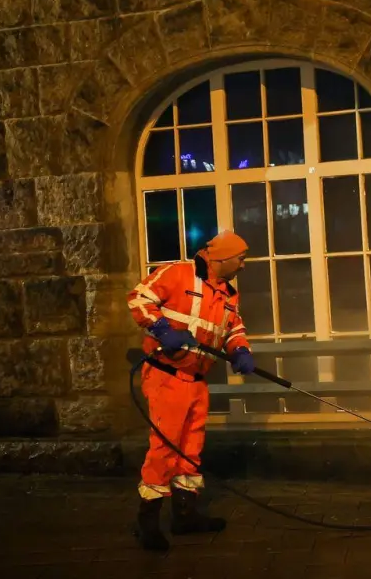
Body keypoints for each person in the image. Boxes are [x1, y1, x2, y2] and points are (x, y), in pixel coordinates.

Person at [127, 230, 259, 551]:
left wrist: (239, 348)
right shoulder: (178, 273)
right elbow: (139, 298)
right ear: (223, 258)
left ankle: (185, 516)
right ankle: (147, 522)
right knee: (165, 447)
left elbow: (232, 327)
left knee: (190, 447)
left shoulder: (227, 293)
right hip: (167, 376)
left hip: (196, 380)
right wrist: (161, 330)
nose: (243, 265)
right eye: (241, 259)